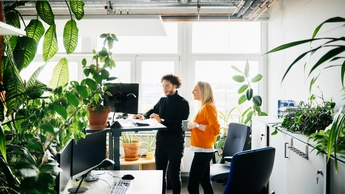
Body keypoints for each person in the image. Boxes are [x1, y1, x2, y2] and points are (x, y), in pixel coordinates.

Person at [133, 74, 190, 194]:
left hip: (175, 143)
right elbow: (152, 111)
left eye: (167, 86)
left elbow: (180, 125)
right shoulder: (162, 100)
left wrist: (162, 120)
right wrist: (142, 116)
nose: (165, 88)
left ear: (175, 86)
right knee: (160, 174)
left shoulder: (183, 103)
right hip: (161, 142)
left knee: (175, 175)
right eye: (163, 86)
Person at [186, 81, 220, 194]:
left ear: (203, 91)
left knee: (192, 186)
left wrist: (196, 125)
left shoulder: (208, 107)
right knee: (205, 182)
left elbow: (215, 130)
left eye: (195, 89)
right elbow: (203, 127)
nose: (192, 92)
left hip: (204, 150)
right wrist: (192, 127)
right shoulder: (203, 107)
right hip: (201, 149)